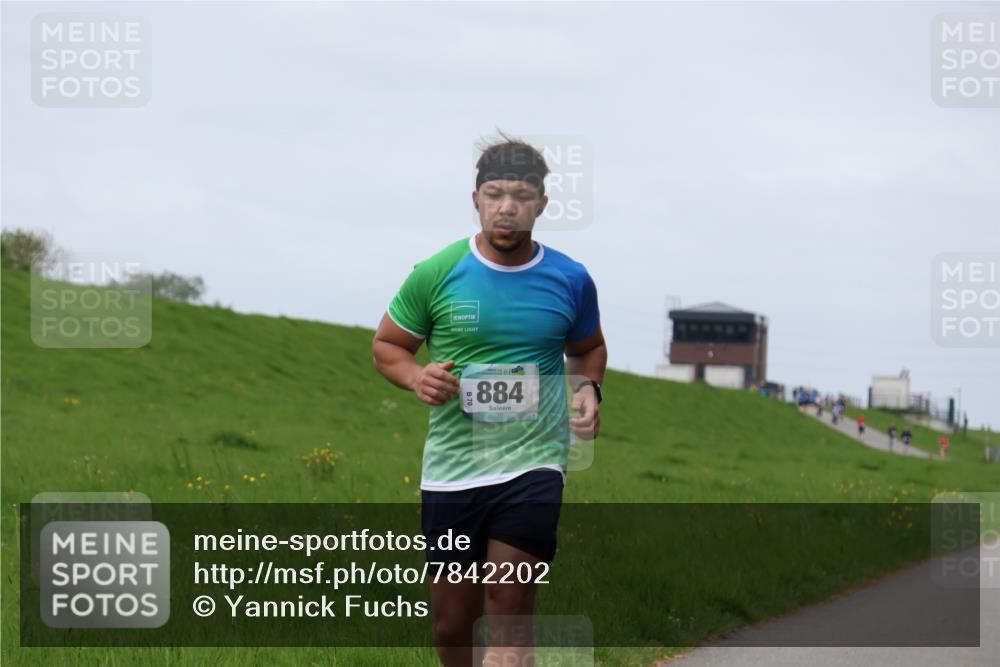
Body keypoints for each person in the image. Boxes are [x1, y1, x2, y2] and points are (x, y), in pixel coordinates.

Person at [372, 135, 607, 667]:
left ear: (541, 204)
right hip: (453, 469)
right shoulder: (436, 273)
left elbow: (588, 348)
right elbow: (388, 347)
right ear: (475, 199)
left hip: (534, 462)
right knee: (453, 624)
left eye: (522, 196)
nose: (507, 207)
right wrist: (416, 376)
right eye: (495, 194)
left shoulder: (571, 279)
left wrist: (588, 388)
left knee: (509, 600)